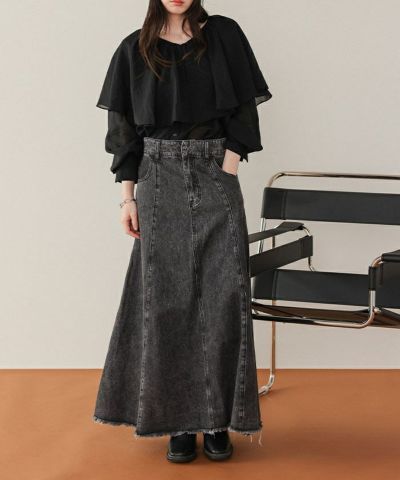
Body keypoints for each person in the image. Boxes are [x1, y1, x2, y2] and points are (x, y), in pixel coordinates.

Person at [93, 0, 273, 464]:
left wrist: (227, 168)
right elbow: (123, 132)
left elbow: (245, 109)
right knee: (167, 302)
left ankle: (217, 421)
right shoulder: (134, 49)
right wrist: (128, 199)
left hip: (215, 171)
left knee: (223, 298)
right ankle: (178, 423)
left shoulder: (224, 34)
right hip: (157, 178)